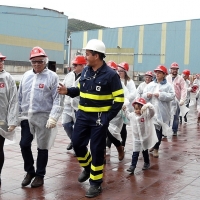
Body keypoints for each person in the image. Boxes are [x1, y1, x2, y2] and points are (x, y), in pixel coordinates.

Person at [57, 39, 124, 198]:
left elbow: (119, 99)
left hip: (99, 119)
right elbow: (79, 90)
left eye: (87, 54)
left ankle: (95, 184)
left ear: (97, 55)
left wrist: (107, 116)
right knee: (78, 144)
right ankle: (87, 167)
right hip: (82, 116)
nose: (85, 57)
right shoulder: (86, 71)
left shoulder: (111, 75)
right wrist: (67, 91)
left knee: (96, 150)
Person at [18, 47, 63, 188]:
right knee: (24, 144)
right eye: (34, 62)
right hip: (27, 116)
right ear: (30, 62)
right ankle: (30, 171)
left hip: (44, 117)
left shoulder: (52, 77)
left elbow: (58, 99)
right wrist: (17, 117)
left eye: (40, 61)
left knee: (42, 147)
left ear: (45, 61)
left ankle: (40, 175)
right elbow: (19, 97)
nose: (37, 64)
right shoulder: (25, 76)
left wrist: (54, 117)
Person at [143, 65, 175, 157]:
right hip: (151, 112)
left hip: (162, 112)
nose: (157, 74)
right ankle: (153, 145)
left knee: (158, 131)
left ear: (164, 74)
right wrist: (147, 95)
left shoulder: (168, 86)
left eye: (159, 73)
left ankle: (156, 148)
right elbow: (143, 94)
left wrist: (161, 95)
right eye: (156, 72)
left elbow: (172, 96)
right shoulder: (151, 85)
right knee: (150, 130)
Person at [123, 98, 157, 173]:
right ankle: (132, 166)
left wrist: (148, 106)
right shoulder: (132, 115)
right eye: (136, 109)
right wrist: (125, 109)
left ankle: (146, 163)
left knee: (145, 151)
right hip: (136, 138)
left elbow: (152, 112)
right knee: (135, 153)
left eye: (139, 109)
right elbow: (127, 114)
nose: (137, 110)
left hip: (145, 137)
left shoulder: (146, 116)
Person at [105, 60, 130, 160]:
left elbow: (126, 96)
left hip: (116, 111)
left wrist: (124, 104)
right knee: (101, 131)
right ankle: (103, 155)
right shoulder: (101, 80)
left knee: (111, 132)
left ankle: (119, 146)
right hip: (103, 109)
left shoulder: (119, 83)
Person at [0, 52, 18, 185]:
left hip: (2, 120)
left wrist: (12, 121)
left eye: (2, 61)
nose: (1, 63)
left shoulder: (8, 78)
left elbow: (13, 101)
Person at [62, 55, 86, 151]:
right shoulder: (69, 75)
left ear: (82, 65)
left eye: (76, 65)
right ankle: (73, 141)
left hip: (79, 107)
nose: (74, 66)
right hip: (68, 104)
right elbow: (63, 86)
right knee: (65, 124)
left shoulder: (86, 76)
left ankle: (78, 147)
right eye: (73, 64)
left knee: (78, 129)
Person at [117, 62, 136, 150]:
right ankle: (108, 145)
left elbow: (133, 94)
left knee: (123, 126)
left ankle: (123, 144)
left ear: (125, 72)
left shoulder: (129, 82)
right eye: (118, 71)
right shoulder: (116, 80)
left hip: (125, 106)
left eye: (121, 71)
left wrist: (125, 101)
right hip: (117, 105)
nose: (119, 72)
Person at [166, 62, 187, 136]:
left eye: (176, 69)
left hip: (177, 100)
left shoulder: (180, 79)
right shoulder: (167, 78)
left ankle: (174, 130)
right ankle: (165, 130)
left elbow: (184, 89)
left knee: (176, 116)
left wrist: (182, 99)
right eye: (173, 69)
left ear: (178, 70)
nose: (174, 70)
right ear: (170, 69)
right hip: (168, 100)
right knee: (167, 115)